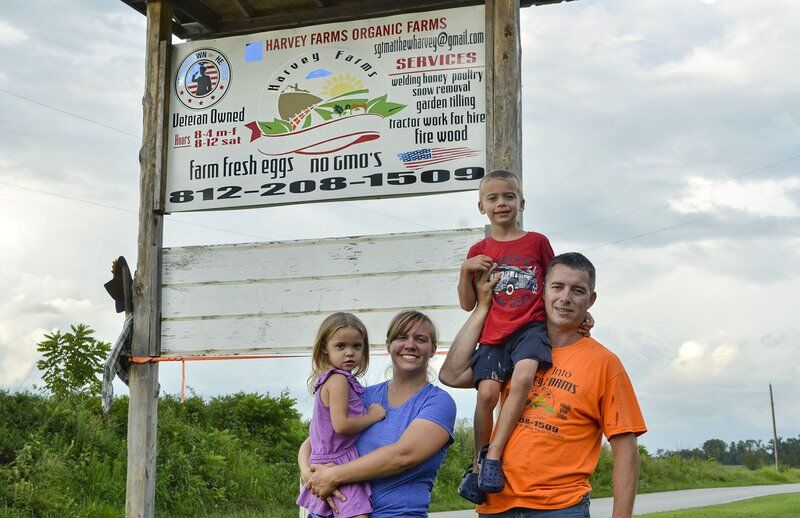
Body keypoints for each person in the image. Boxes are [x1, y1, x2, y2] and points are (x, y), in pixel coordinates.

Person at [440, 253, 647, 517]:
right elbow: (452, 374)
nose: (565, 298)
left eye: (578, 290)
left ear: (591, 300)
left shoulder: (604, 363)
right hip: (495, 503)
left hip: (560, 507)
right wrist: (482, 307)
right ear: (542, 291)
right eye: (557, 287)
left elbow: (626, 450)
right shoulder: (513, 349)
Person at [456, 169, 556, 501]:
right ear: (481, 206)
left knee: (525, 376)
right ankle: (476, 465)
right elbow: (468, 303)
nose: (502, 203)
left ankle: (494, 455)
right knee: (486, 395)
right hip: (494, 333)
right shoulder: (479, 250)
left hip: (531, 326)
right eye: (494, 198)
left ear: (521, 203)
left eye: (509, 196)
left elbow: (555, 286)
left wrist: (580, 316)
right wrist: (464, 271)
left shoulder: (537, 242)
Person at [300, 310, 457, 517]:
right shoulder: (361, 395)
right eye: (401, 337)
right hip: (335, 511)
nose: (410, 345)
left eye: (420, 339)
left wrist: (333, 476)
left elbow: (403, 456)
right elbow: (315, 439)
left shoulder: (438, 402)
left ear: (433, 349)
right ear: (389, 345)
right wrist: (311, 475)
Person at [296, 313, 387, 518]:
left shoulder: (330, 380)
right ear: (324, 349)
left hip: (322, 458)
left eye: (356, 346)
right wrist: (373, 415)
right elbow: (341, 426)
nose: (349, 353)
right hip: (336, 461)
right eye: (340, 346)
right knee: (357, 514)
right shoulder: (338, 381)